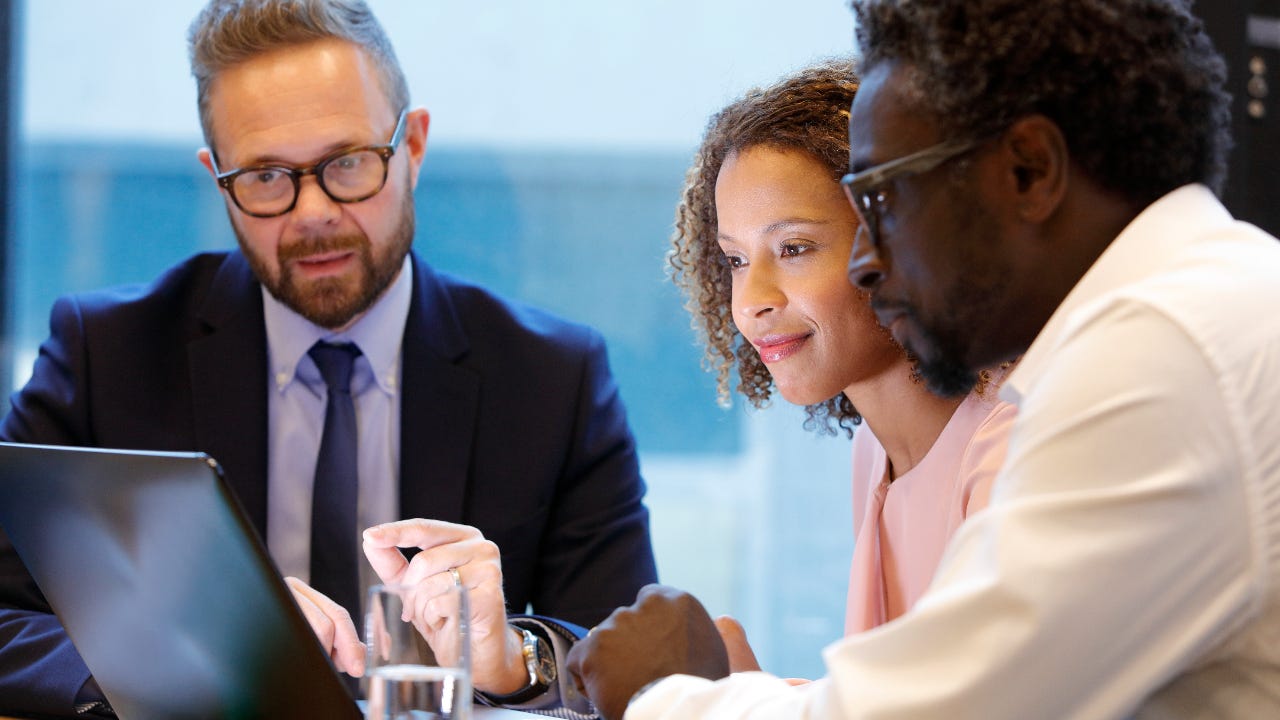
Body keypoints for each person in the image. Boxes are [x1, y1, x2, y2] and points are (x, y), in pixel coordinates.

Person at [566, 1, 1280, 718]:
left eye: (883, 199)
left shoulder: (1157, 356)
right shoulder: (1210, 304)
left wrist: (663, 693)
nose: (870, 261)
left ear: (1030, 170)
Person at [0, 0, 655, 717]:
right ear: (216, 175)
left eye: (347, 163)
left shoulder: (551, 377)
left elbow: (631, 661)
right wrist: (171, 659)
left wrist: (513, 659)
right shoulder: (106, 355)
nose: (312, 213)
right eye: (265, 177)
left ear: (413, 147)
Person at [665, 60, 1015, 671]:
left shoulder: (1010, 446)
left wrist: (736, 706)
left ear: (904, 240)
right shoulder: (872, 452)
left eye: (793, 249)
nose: (752, 301)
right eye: (737, 260)